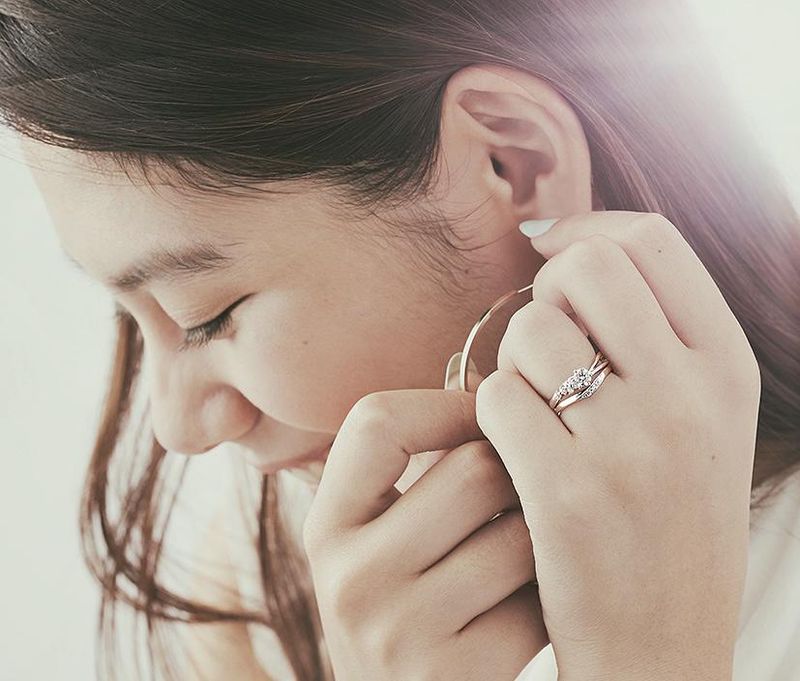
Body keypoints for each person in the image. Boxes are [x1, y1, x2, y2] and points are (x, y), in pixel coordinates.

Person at [2, 1, 798, 679]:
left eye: (204, 314)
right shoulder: (260, 586)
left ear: (513, 162)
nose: (178, 428)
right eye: (128, 315)